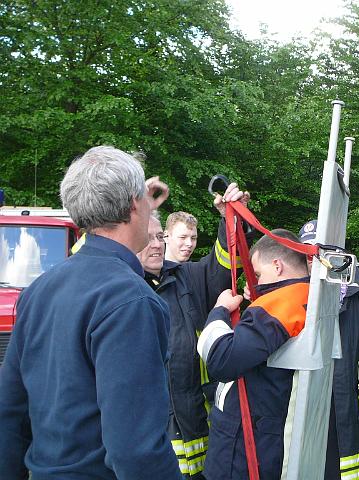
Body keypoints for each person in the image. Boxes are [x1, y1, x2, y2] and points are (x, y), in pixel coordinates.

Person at [0, 146, 182, 480]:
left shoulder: (38, 291)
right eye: (144, 198)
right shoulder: (131, 301)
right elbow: (136, 451)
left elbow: (9, 415)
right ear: (134, 204)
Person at [137, 183, 250, 479]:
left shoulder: (186, 276)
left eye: (158, 237)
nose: (156, 245)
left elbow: (224, 265)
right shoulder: (122, 286)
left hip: (196, 421)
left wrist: (231, 218)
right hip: (151, 430)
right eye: (148, 238)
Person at [197, 229, 310, 480]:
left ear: (277, 266)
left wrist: (219, 311)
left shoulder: (279, 305)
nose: (255, 282)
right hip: (267, 437)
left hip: (245, 449)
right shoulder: (308, 296)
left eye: (258, 274)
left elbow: (221, 360)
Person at [298, 219, 359, 480]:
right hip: (306, 409)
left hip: (350, 412)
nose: (314, 261)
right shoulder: (294, 293)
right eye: (308, 255)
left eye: (321, 253)